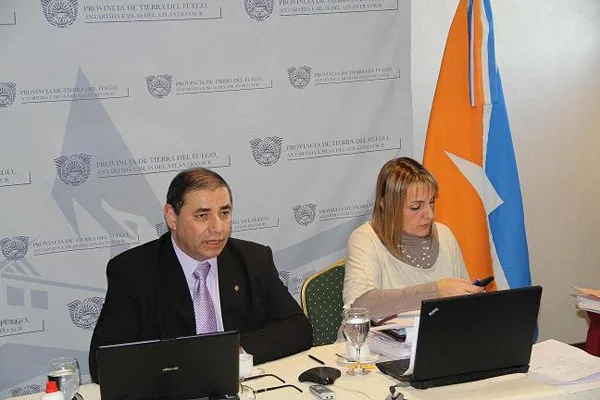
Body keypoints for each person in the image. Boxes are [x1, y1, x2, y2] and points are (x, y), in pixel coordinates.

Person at [89, 168, 312, 383]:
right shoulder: (133, 271)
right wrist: (192, 361)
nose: (218, 228)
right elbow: (103, 363)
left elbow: (298, 328)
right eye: (202, 215)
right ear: (172, 217)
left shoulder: (253, 259)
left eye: (224, 213)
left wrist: (232, 350)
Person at [343, 157, 483, 318]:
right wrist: (435, 291)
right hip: (373, 342)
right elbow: (360, 305)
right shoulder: (365, 239)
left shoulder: (444, 235)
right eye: (416, 207)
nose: (430, 215)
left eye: (431, 203)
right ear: (386, 205)